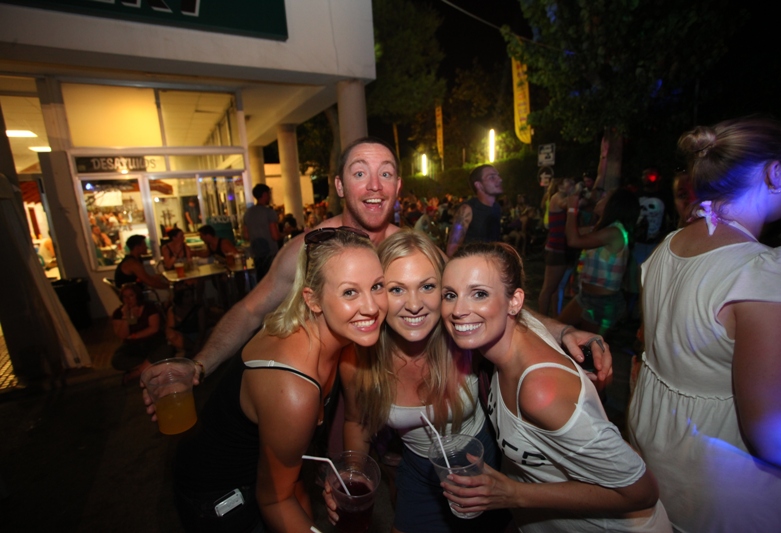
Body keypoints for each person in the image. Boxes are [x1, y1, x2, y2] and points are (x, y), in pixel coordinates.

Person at [144, 137, 611, 417]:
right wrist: (198, 365)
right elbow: (250, 309)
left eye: (385, 174)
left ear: (397, 187)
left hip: (391, 387)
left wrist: (560, 330)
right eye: (360, 173)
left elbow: (483, 300)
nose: (374, 185)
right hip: (323, 390)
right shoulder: (309, 248)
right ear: (340, 186)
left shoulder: (410, 249)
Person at [628, 116, 781, 531]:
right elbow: (775, 438)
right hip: (729, 488)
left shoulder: (669, 246)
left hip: (661, 463)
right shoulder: (764, 271)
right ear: (775, 173)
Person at [439, 242, 670, 532]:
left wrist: (513, 494)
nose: (459, 310)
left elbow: (643, 492)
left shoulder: (540, 392)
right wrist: (567, 330)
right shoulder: (519, 332)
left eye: (479, 294)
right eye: (450, 295)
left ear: (515, 302)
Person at [173, 227, 387, 532]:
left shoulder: (341, 335)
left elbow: (292, 477)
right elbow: (275, 500)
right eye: (350, 292)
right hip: (218, 497)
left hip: (271, 477)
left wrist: (350, 473)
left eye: (377, 286)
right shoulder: (293, 388)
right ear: (313, 300)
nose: (371, 307)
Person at [327, 229, 510, 532]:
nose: (414, 305)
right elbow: (357, 422)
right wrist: (355, 473)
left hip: (481, 461)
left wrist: (564, 332)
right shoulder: (357, 360)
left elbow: (509, 312)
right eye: (396, 289)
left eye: (427, 286)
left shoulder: (464, 335)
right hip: (418, 474)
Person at [559, 188, 640, 334]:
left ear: (614, 206)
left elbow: (573, 240)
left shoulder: (614, 232)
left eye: (605, 198)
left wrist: (572, 209)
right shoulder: (603, 229)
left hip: (602, 302)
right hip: (586, 296)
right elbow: (572, 234)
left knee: (588, 345)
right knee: (557, 330)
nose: (599, 200)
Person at [111, 283, 173, 383]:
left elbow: (154, 328)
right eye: (125, 297)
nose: (128, 299)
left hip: (153, 340)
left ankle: (136, 373)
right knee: (117, 360)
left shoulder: (149, 307)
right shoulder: (118, 313)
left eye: (131, 295)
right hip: (133, 345)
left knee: (166, 349)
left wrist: (135, 336)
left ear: (137, 296)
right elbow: (122, 335)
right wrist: (125, 317)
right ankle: (152, 366)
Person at [446, 165, 503, 257]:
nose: (500, 179)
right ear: (479, 185)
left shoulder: (496, 207)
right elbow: (452, 250)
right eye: (492, 177)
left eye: (498, 176)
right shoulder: (467, 209)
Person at [538, 177, 575, 316]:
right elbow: (565, 204)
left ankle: (555, 317)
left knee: (557, 288)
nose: (572, 185)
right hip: (556, 248)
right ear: (560, 186)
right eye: (569, 183)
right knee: (549, 288)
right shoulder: (557, 197)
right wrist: (576, 193)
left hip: (563, 248)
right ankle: (541, 320)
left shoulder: (563, 198)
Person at [242, 183, 281, 280]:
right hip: (270, 254)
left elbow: (246, 236)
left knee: (261, 280)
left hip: (256, 254)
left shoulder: (248, 213)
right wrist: (285, 233)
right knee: (273, 280)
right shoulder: (269, 212)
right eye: (269, 194)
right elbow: (275, 236)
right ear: (265, 194)